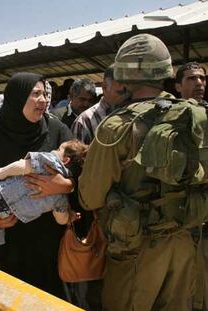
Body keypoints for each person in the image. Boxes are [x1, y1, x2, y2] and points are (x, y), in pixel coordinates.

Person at [79, 33, 208, 311]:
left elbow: (90, 197)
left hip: (136, 249)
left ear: (124, 73)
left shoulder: (116, 126)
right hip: (187, 244)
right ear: (165, 70)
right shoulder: (195, 115)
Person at [0, 72, 73, 298]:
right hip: (8, 245)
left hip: (49, 244)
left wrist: (65, 185)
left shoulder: (57, 131)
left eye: (44, 93)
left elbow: (83, 172)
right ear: (16, 98)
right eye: (35, 94)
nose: (43, 100)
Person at [0, 139, 87, 260]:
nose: (54, 150)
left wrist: (2, 173)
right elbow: (61, 219)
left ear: (66, 160)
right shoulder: (61, 196)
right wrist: (69, 216)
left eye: (58, 149)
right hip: (13, 213)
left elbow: (22, 165)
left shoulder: (48, 161)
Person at [175, 61, 208, 311]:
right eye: (191, 79)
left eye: (202, 78)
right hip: (181, 212)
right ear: (178, 86)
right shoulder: (172, 119)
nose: (199, 83)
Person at [71, 65, 125, 144]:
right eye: (119, 92)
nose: (124, 96)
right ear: (104, 87)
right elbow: (76, 154)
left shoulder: (129, 114)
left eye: (126, 91)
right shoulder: (85, 121)